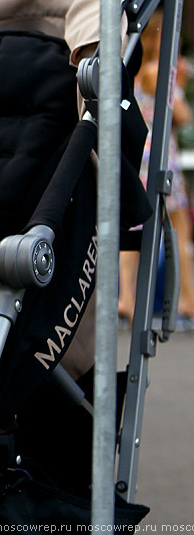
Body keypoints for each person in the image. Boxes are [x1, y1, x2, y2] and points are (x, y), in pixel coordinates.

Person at [118, 8, 194, 327]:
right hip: (162, 160)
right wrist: (181, 80)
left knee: (136, 231)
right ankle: (189, 300)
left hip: (139, 159)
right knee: (179, 232)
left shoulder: (134, 71)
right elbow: (182, 116)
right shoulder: (157, 72)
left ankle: (126, 298)